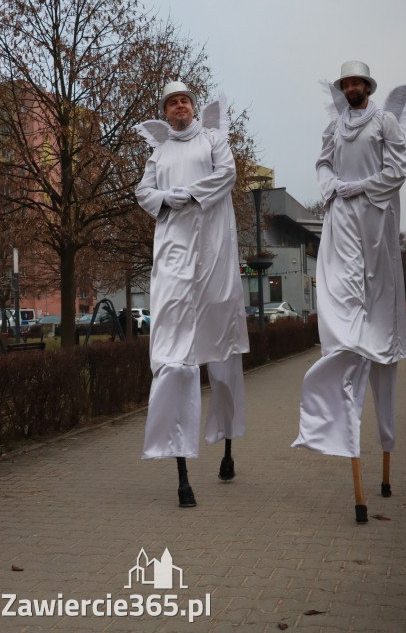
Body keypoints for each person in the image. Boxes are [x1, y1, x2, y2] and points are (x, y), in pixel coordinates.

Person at [292, 60, 406, 523]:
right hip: (342, 218)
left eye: (356, 82)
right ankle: (344, 345)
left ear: (367, 86)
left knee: (377, 301)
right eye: (345, 83)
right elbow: (323, 163)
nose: (350, 88)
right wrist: (333, 188)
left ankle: (384, 448)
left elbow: (397, 168)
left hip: (376, 220)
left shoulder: (384, 122)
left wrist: (362, 187)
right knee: (342, 292)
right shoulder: (335, 126)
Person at [135, 81, 249, 508]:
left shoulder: (214, 140)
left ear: (193, 106)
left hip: (214, 257)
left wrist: (193, 194)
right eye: (171, 102)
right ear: (165, 112)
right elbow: (144, 192)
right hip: (174, 259)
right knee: (173, 358)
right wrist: (169, 198)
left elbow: (227, 175)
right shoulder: (159, 152)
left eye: (184, 100)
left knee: (222, 356)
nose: (179, 106)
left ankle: (227, 444)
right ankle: (180, 468)